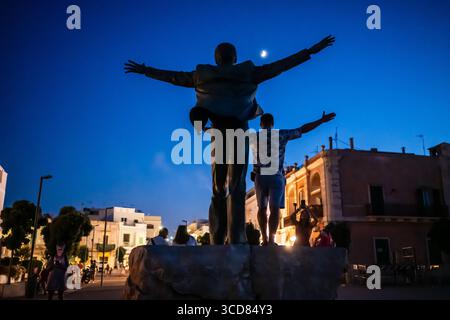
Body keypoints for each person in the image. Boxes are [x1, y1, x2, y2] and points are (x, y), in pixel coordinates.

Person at [124, 36, 335, 245]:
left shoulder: (202, 75)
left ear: (216, 59)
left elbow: (173, 77)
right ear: (235, 58)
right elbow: (282, 66)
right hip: (239, 132)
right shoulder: (248, 72)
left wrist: (145, 70)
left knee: (218, 188)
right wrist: (311, 50)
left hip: (218, 134)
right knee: (237, 187)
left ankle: (217, 237)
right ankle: (237, 237)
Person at [252, 112, 335, 245]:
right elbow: (302, 129)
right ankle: (272, 240)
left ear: (261, 124)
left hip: (260, 176)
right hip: (276, 176)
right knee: (274, 209)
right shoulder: (281, 134)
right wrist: (321, 121)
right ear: (272, 124)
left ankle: (265, 239)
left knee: (261, 208)